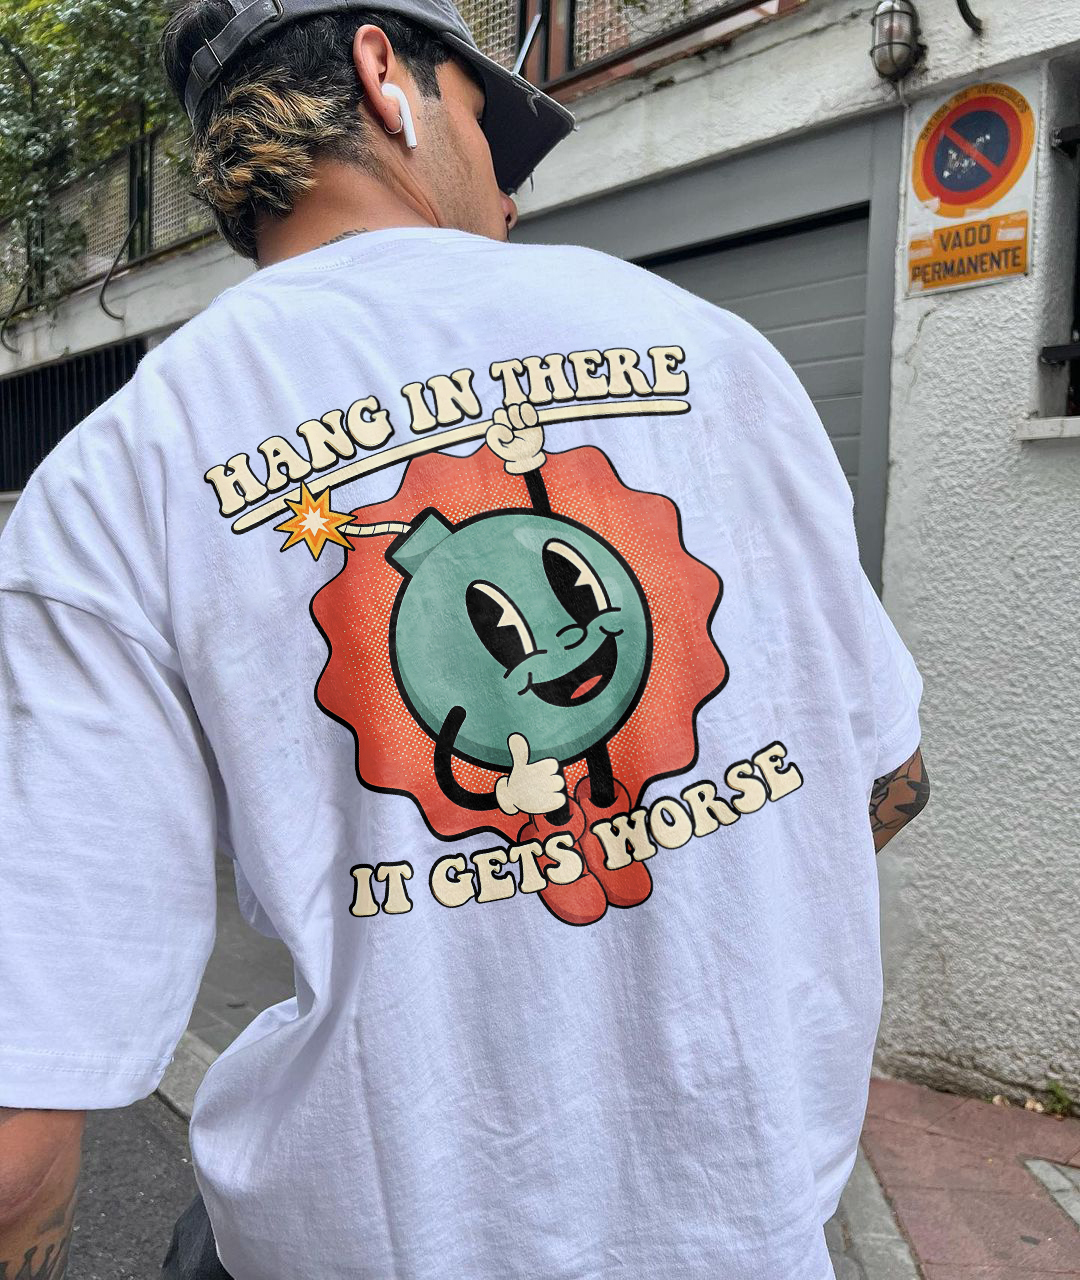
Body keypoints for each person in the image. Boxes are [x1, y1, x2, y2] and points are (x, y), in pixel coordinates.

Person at [0, 0, 930, 1276]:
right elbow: (888, 779)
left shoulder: (115, 475)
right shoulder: (719, 353)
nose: (508, 195)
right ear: (386, 74)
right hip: (744, 1230)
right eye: (493, 134)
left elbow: (21, 1140)